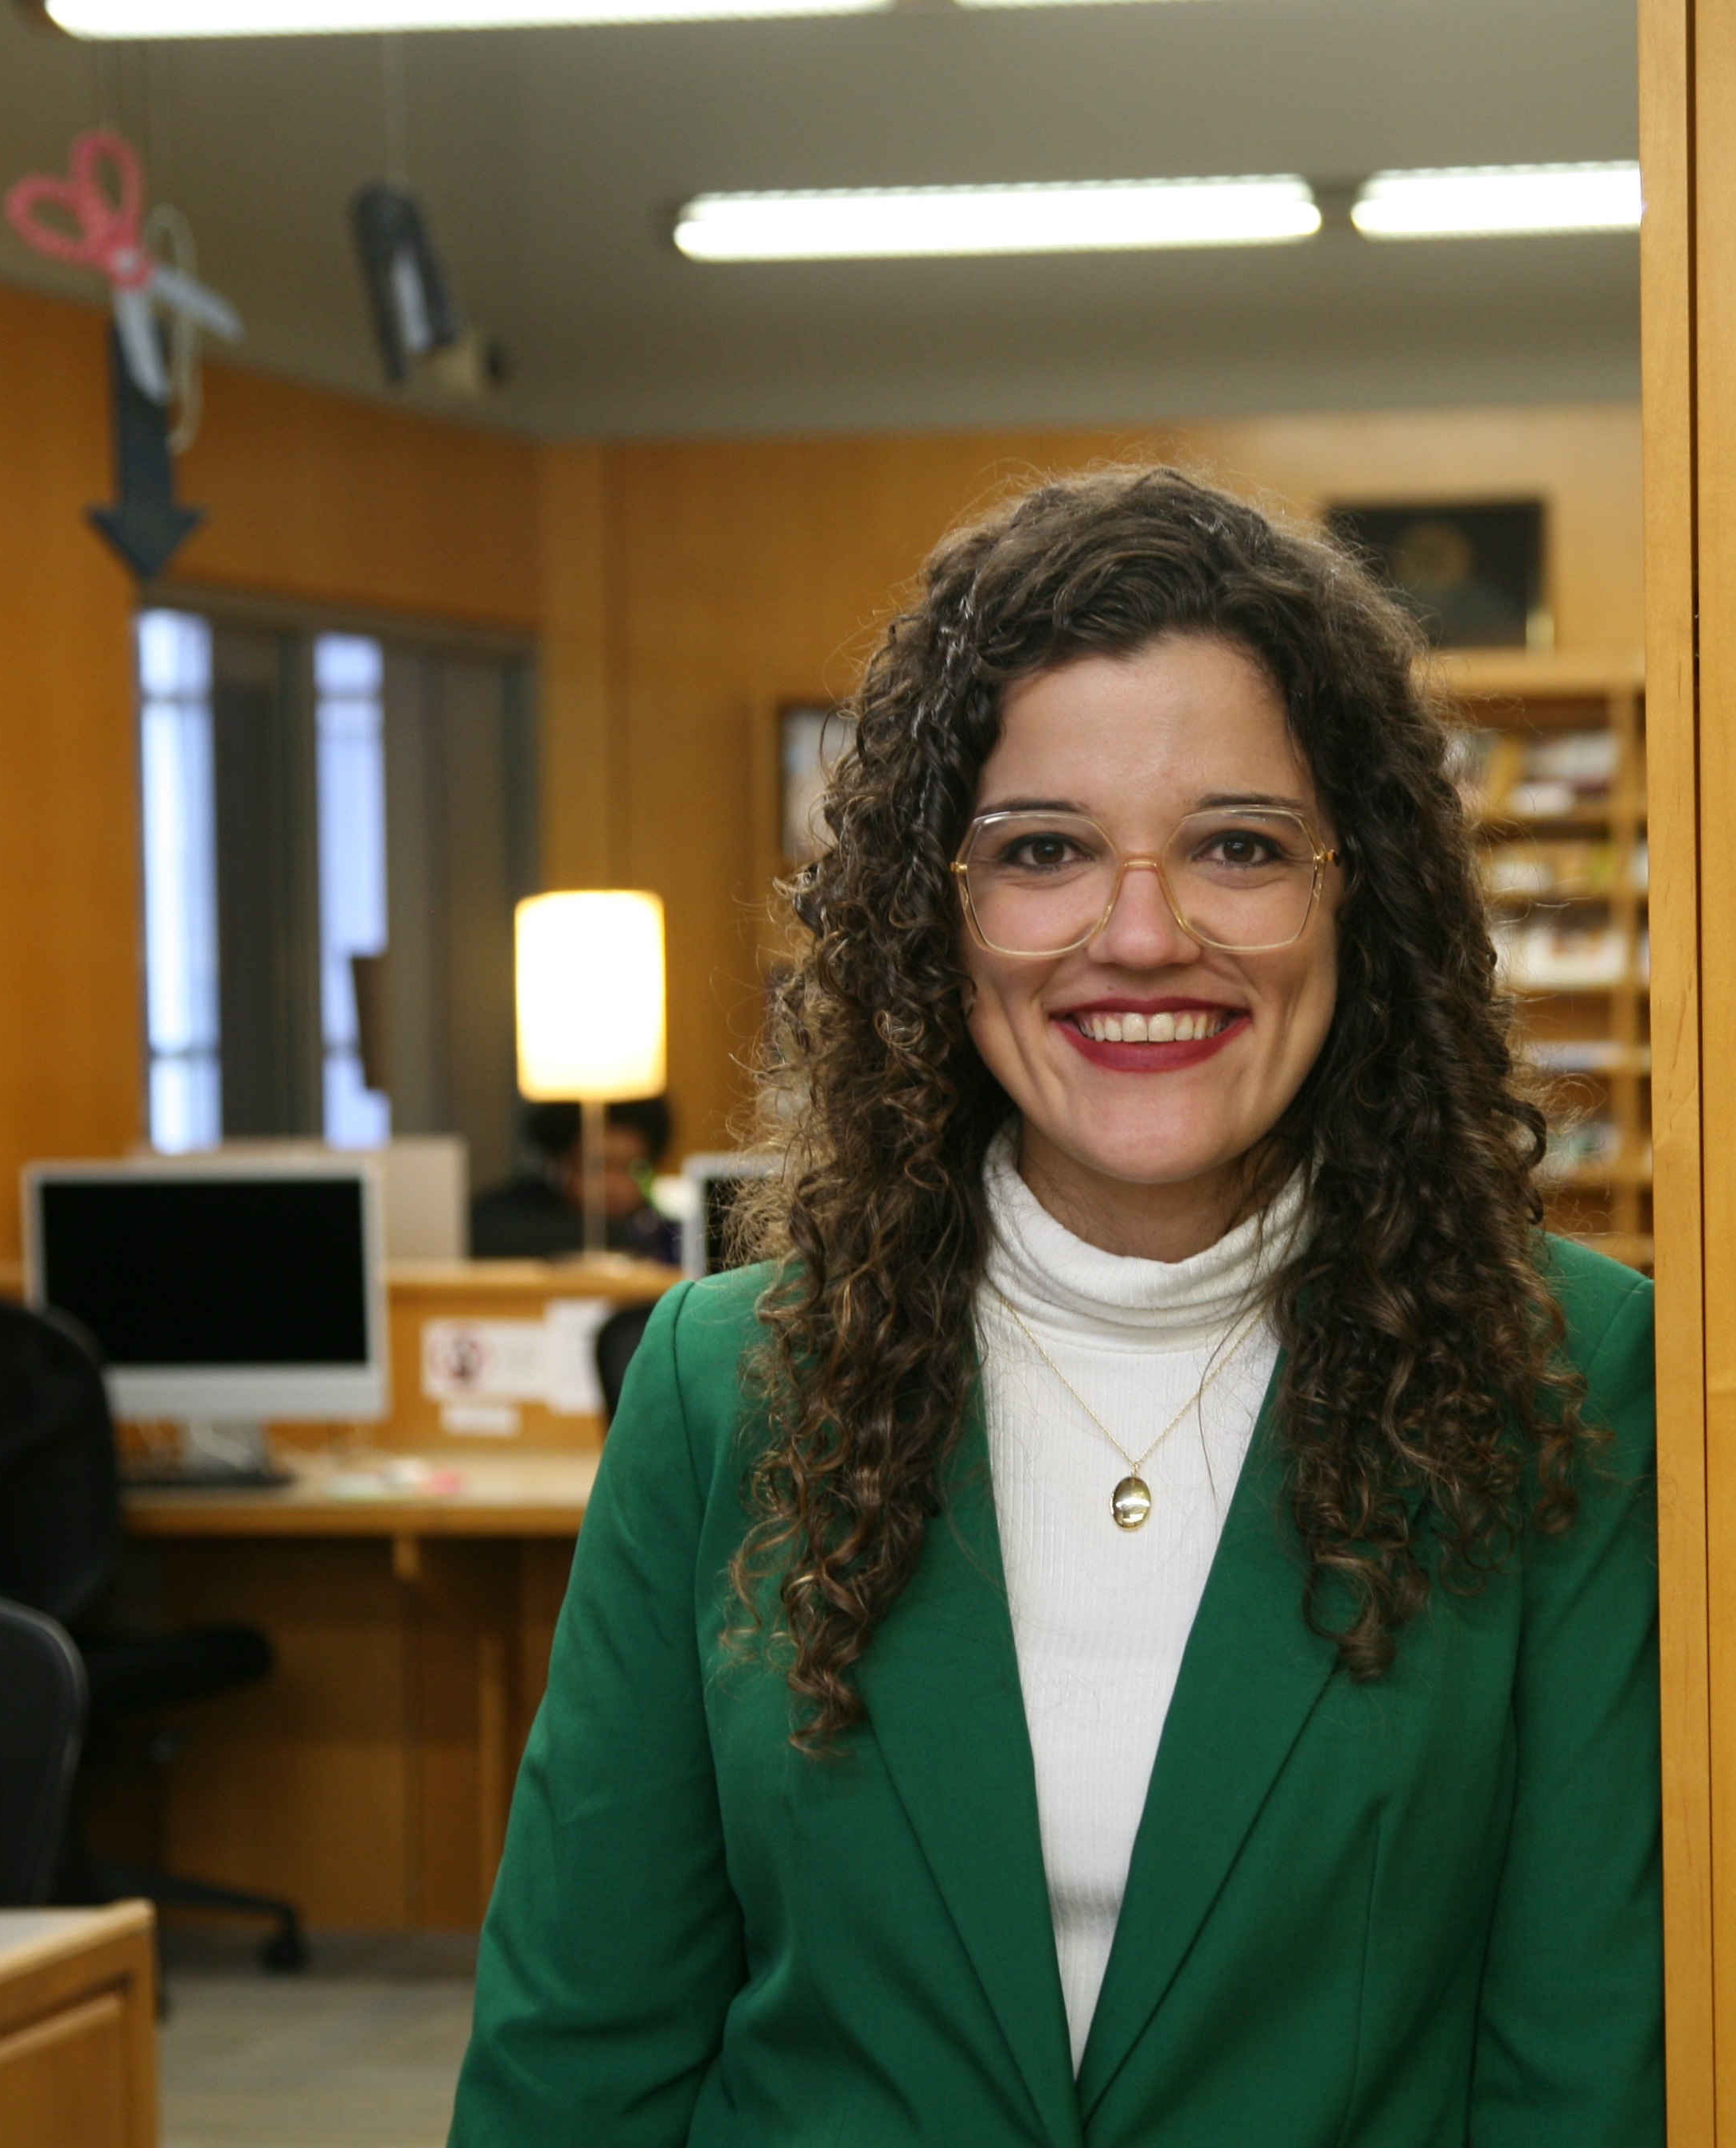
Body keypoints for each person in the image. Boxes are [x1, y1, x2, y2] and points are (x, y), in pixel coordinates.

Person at [451, 468, 1662, 2145]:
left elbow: (1576, 2062)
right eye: (1042, 850)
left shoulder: (1568, 1368)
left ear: (1355, 890)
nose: (1142, 931)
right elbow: (580, 2050)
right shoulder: (721, 1381)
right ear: (931, 916)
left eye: (1239, 844)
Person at [466, 1095, 682, 1264]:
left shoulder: (661, 1230)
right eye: (596, 1167)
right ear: (561, 1165)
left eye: (633, 1168)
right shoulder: (506, 1220)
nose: (613, 1185)